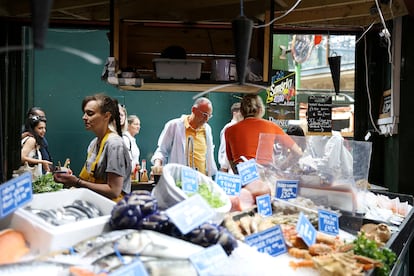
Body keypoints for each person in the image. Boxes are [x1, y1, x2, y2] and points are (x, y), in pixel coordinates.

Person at [54, 94, 132, 201]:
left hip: (110, 210)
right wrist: (69, 177)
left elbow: (114, 191)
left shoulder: (114, 144)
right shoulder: (94, 143)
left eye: (90, 114)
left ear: (106, 116)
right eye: (84, 113)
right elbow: (89, 179)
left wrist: (76, 182)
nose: (84, 117)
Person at [225, 94, 302, 173]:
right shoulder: (271, 126)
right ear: (261, 109)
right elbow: (298, 152)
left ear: (241, 111)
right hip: (265, 175)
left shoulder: (229, 130)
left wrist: (239, 174)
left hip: (243, 174)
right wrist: (281, 168)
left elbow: (231, 161)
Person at [151, 97, 218, 177]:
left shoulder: (207, 129)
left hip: (201, 181)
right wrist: (157, 165)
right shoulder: (174, 125)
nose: (206, 119)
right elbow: (162, 151)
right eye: (204, 115)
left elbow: (209, 158)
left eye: (209, 116)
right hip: (179, 179)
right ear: (194, 110)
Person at [22, 107, 53, 171]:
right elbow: (22, 157)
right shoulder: (31, 139)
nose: (43, 131)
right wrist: (41, 162)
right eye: (40, 128)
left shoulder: (41, 139)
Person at [218, 102, 243, 173]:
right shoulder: (229, 127)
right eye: (241, 112)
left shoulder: (242, 127)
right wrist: (224, 167)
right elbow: (224, 149)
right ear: (235, 113)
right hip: (231, 169)